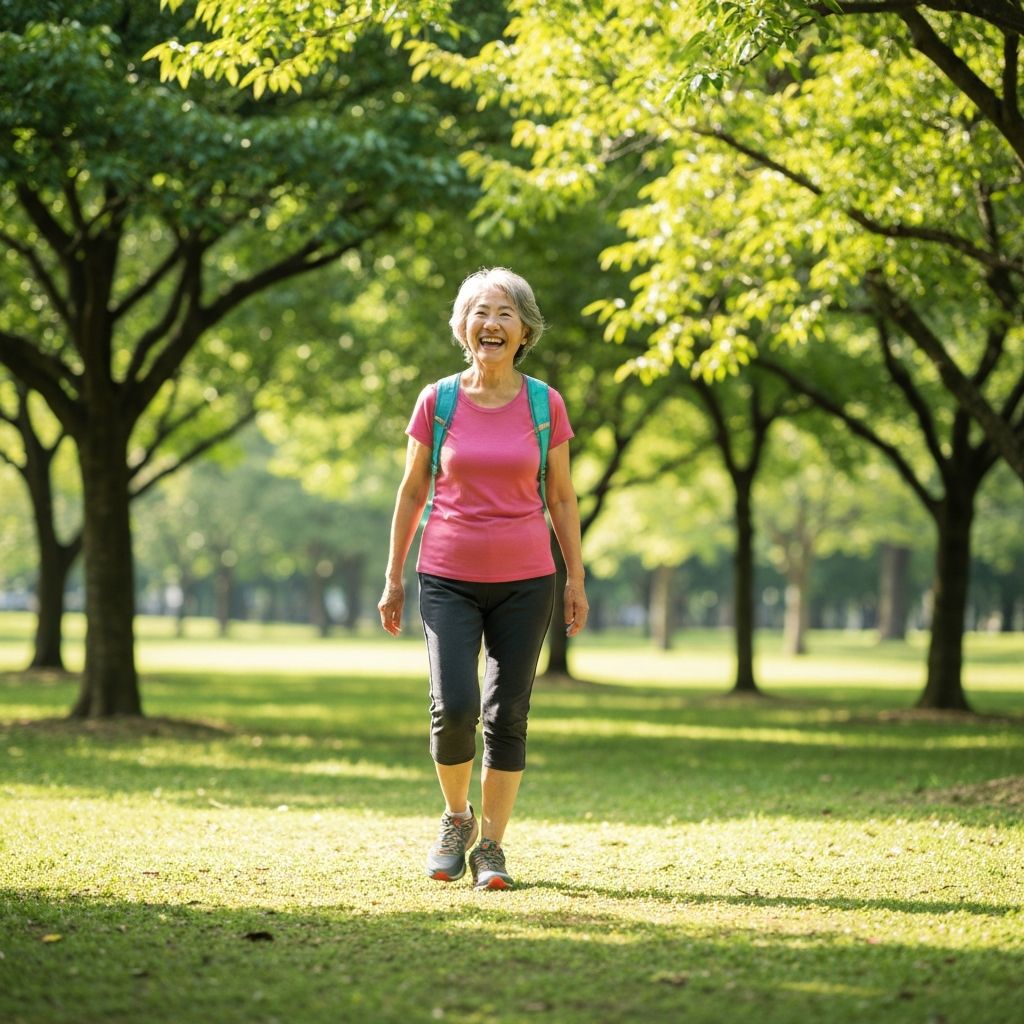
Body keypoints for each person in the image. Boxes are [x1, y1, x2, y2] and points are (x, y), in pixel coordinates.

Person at [377, 267, 589, 890]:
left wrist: (575, 579)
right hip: (447, 575)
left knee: (507, 713)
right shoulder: (437, 401)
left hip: (527, 580)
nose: (491, 324)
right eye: (479, 312)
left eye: (504, 313)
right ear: (462, 327)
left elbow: (562, 497)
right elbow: (412, 490)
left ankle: (491, 847)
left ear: (525, 331)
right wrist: (393, 577)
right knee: (454, 707)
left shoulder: (544, 404)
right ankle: (456, 819)